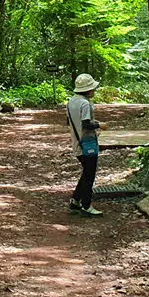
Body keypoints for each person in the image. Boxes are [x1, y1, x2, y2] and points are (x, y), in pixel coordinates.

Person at [67, 73, 104, 217]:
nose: (94, 91)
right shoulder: (85, 103)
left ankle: (75, 199)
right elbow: (86, 123)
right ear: (88, 90)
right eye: (93, 89)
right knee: (90, 175)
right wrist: (100, 125)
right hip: (87, 144)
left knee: (86, 172)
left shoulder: (70, 102)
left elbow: (69, 122)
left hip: (76, 143)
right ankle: (86, 205)